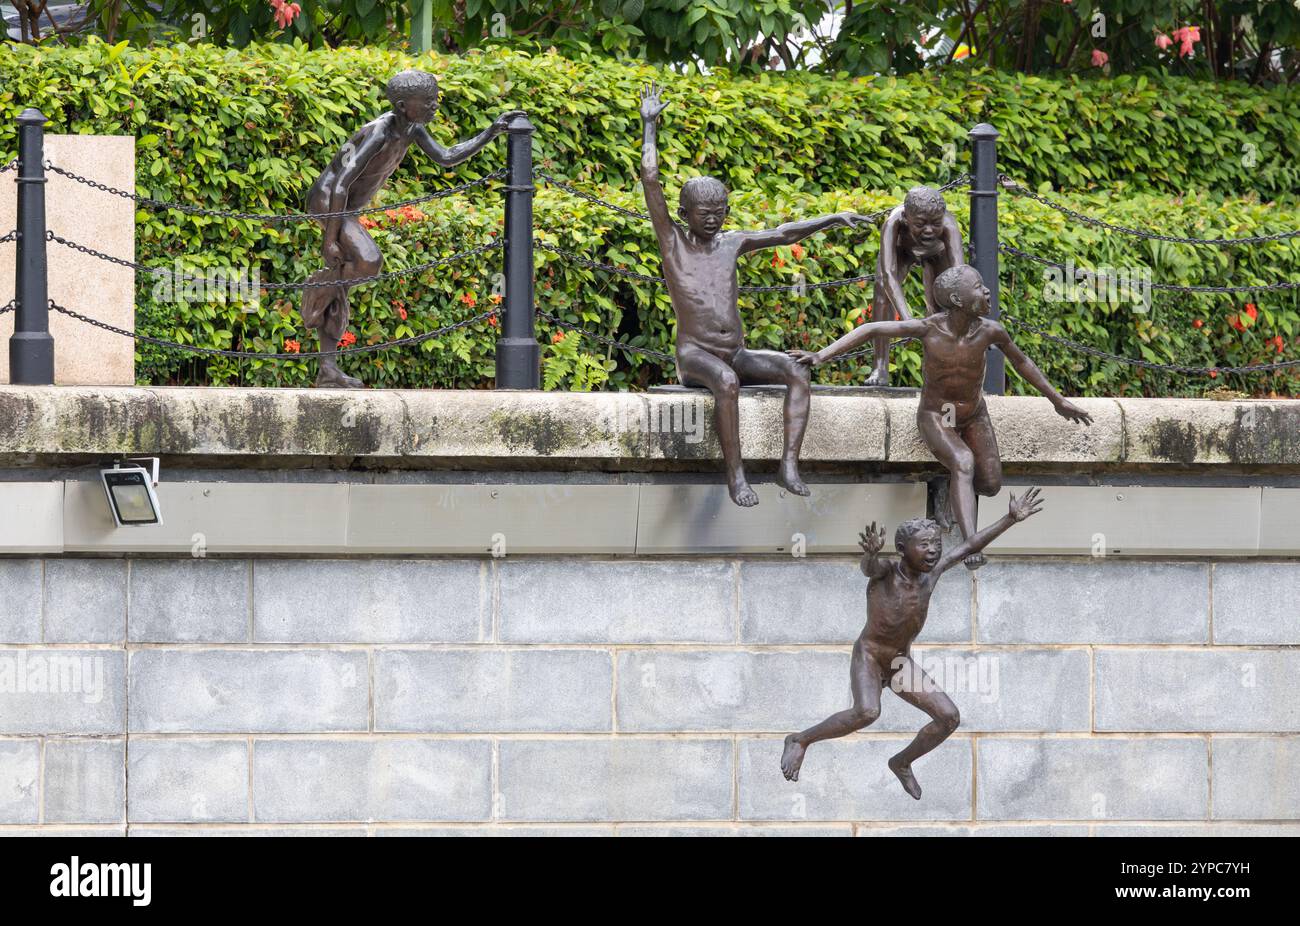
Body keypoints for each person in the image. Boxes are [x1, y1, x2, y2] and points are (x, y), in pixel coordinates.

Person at [638, 82, 873, 506]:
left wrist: (833, 217)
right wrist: (650, 125)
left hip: (736, 350)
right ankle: (736, 477)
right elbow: (650, 180)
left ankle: (788, 465)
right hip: (696, 356)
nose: (712, 220)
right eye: (703, 214)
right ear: (685, 214)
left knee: (797, 370)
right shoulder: (672, 241)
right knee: (726, 382)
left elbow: (784, 234)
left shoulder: (732, 242)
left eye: (719, 213)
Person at [791, 264, 1091, 568]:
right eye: (978, 287)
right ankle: (970, 544)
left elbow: (1022, 362)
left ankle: (952, 490)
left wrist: (1057, 400)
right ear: (958, 300)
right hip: (936, 415)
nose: (987, 291)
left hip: (973, 413)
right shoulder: (929, 328)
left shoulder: (990, 331)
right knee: (963, 461)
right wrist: (821, 355)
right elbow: (872, 329)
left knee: (990, 484)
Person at [780, 488, 1044, 799]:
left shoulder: (932, 575)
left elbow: (971, 544)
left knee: (949, 717)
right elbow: (869, 568)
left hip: (899, 662)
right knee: (867, 712)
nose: (933, 551)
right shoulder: (888, 571)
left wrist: (1010, 519)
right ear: (903, 549)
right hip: (870, 656)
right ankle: (800, 740)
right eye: (925, 545)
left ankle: (902, 762)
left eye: (937, 544)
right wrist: (872, 554)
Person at [300, 69, 525, 387]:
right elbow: (339, 185)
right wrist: (330, 238)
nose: (435, 106)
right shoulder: (380, 132)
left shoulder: (413, 129)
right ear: (404, 105)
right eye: (428, 101)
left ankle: (328, 365)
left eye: (436, 99)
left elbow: (447, 157)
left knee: (345, 280)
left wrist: (491, 131)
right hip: (330, 203)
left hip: (345, 206)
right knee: (369, 261)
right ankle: (321, 286)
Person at [860, 186, 965, 386]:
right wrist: (907, 320)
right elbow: (889, 275)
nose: (929, 230)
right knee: (882, 291)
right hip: (903, 250)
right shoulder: (893, 223)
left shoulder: (949, 226)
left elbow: (959, 276)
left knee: (940, 306)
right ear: (906, 218)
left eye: (935, 224)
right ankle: (880, 366)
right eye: (920, 224)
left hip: (938, 253)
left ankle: (941, 369)